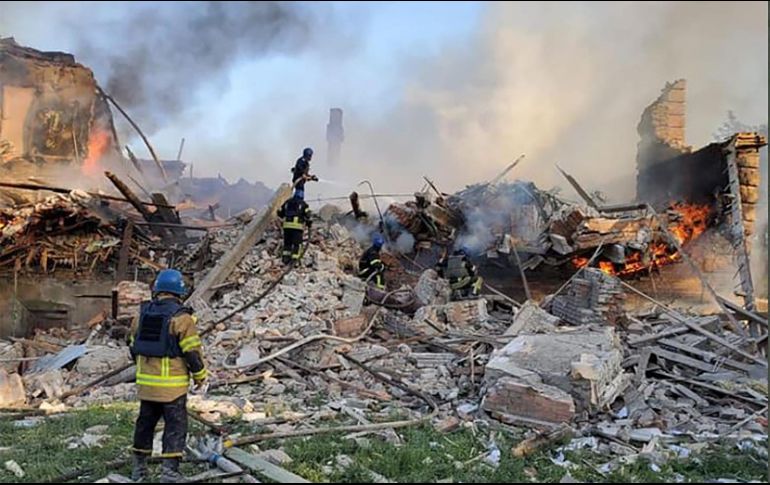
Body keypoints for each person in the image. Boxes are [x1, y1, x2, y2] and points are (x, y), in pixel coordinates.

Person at [129, 269, 207, 483]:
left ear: (157, 290)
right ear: (179, 292)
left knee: (144, 425)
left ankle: (139, 470)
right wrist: (200, 376)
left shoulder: (141, 315)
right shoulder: (182, 319)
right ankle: (170, 473)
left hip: (146, 386)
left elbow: (132, 346)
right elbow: (192, 352)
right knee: (175, 427)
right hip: (172, 388)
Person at [277, 189, 312, 265]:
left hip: (286, 227)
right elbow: (308, 215)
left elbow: (280, 213)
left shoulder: (287, 203)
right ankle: (295, 260)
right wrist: (308, 222)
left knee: (287, 243)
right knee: (297, 244)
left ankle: (285, 259)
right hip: (297, 228)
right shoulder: (303, 204)